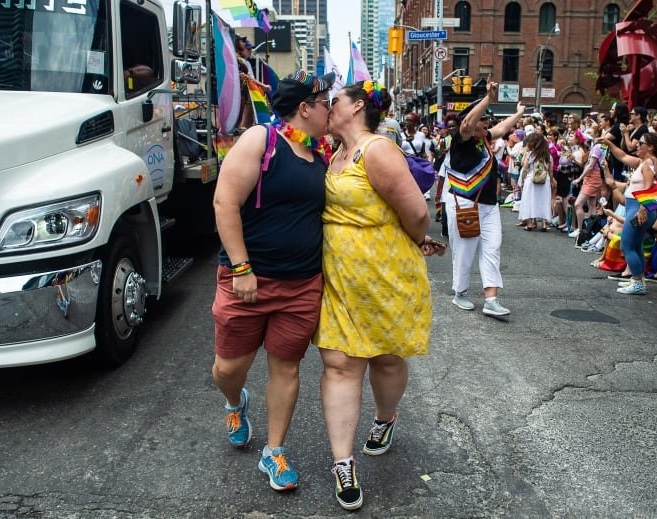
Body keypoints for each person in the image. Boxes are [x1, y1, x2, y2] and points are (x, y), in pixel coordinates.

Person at [313, 80, 441, 511]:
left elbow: (417, 213)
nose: (328, 109)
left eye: (335, 102)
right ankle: (343, 463)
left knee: (386, 357)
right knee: (340, 362)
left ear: (358, 107)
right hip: (340, 278)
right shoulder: (334, 155)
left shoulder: (378, 149)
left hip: (386, 275)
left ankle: (385, 419)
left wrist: (409, 244)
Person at [211, 70, 335, 492]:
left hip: (301, 285)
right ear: (304, 108)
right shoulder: (260, 141)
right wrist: (242, 268)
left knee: (286, 367)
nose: (330, 109)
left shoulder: (320, 153)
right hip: (248, 282)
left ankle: (274, 451)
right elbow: (225, 202)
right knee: (229, 368)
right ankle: (234, 402)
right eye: (325, 102)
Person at [442, 80, 525, 315]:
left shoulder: (484, 138)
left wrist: (518, 113)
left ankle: (491, 299)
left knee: (493, 248)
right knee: (465, 250)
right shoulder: (462, 140)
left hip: (489, 206)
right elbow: (467, 123)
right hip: (464, 204)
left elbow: (500, 129)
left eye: (488, 119)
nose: (487, 123)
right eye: (483, 119)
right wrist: (488, 97)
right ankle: (460, 292)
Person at [597, 131, 657, 295]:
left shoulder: (648, 164)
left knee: (627, 246)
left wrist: (642, 209)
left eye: (641, 144)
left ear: (651, 147)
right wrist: (609, 143)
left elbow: (650, 189)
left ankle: (638, 281)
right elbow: (623, 156)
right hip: (637, 208)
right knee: (635, 246)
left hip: (639, 209)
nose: (637, 146)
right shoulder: (645, 162)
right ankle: (637, 281)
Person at [518, 132, 554, 231]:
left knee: (529, 201)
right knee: (544, 201)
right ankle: (544, 224)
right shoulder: (548, 156)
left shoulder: (530, 155)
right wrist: (551, 180)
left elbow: (525, 168)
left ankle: (530, 223)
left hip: (531, 179)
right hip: (544, 180)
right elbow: (550, 170)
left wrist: (522, 180)